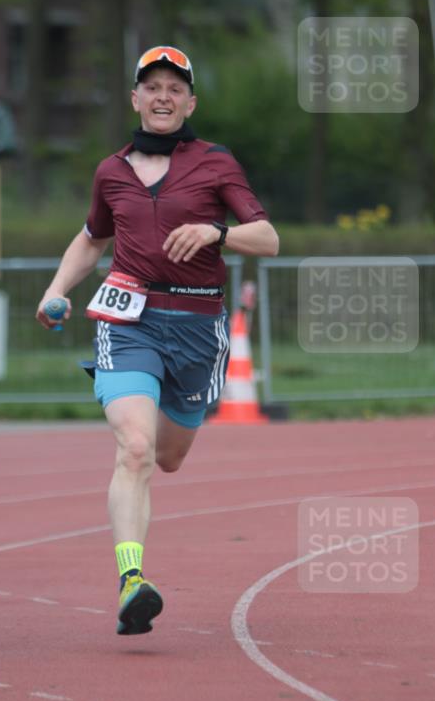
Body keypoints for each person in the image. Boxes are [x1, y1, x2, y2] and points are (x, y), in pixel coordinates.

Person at [36, 45, 278, 636]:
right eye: (152, 87)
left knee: (167, 457)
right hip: (129, 322)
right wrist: (56, 289)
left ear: (190, 102)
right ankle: (131, 581)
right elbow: (92, 239)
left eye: (175, 89)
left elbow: (268, 238)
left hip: (197, 329)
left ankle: (134, 566)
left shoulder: (216, 163)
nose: (163, 97)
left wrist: (216, 232)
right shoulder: (111, 171)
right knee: (135, 449)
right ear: (135, 99)